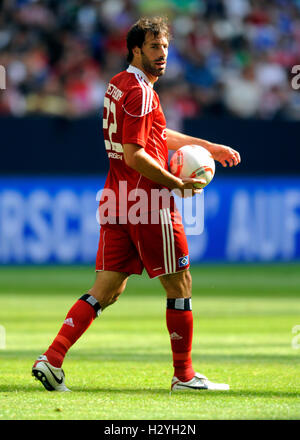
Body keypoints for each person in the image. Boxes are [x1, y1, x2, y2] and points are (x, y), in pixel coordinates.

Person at [32, 17, 241, 392]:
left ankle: (51, 359)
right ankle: (185, 376)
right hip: (148, 202)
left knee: (107, 289)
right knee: (180, 285)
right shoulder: (142, 92)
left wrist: (208, 147)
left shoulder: (119, 84)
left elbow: (153, 133)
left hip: (118, 199)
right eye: (154, 47)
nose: (162, 54)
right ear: (136, 50)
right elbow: (135, 153)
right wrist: (177, 184)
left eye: (164, 47)